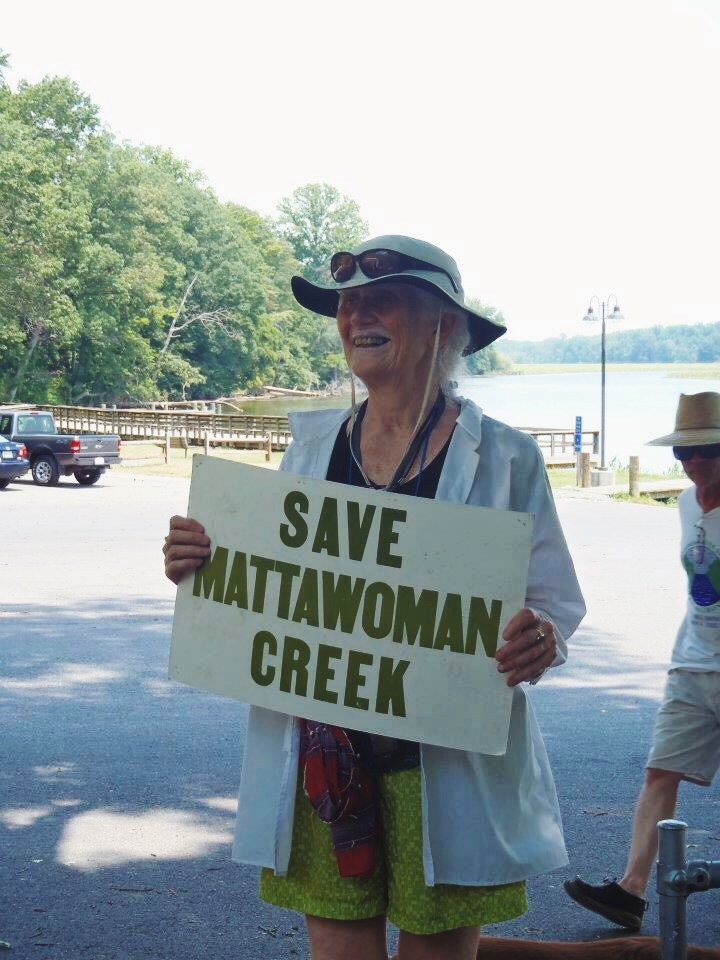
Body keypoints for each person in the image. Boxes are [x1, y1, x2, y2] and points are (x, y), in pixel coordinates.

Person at [164, 235, 586, 960]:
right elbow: (275, 585)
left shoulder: (506, 457)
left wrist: (541, 635)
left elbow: (554, 600)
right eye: (346, 303)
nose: (355, 315)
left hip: (444, 763)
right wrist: (203, 565)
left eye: (380, 299)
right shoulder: (310, 449)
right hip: (323, 760)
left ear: (443, 325)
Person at [565, 391, 720, 932]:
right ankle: (629, 892)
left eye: (709, 452)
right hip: (692, 661)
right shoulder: (684, 504)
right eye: (684, 455)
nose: (695, 464)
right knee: (660, 772)